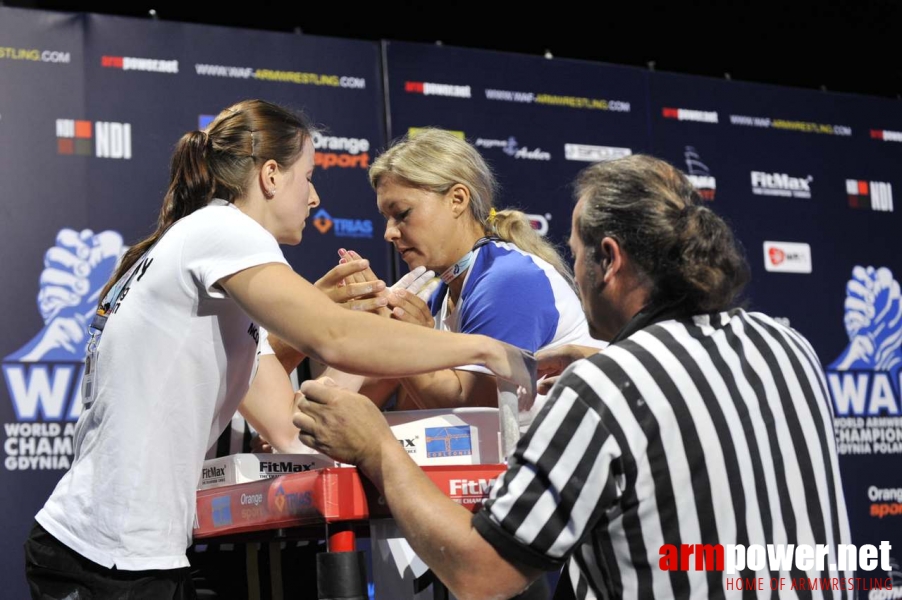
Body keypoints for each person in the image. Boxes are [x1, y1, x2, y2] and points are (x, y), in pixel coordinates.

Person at [23, 99, 532, 600]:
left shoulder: (201, 242)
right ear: (270, 176)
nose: (313, 198)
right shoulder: (226, 229)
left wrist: (328, 320)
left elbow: (288, 427)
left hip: (122, 552)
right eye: (308, 176)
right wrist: (485, 350)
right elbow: (334, 338)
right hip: (110, 557)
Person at [293, 154, 852, 599]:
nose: (570, 272)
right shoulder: (787, 346)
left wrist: (378, 448)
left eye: (577, 255)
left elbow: (483, 575)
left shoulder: (606, 389)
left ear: (609, 259)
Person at [347, 128, 604, 427]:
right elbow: (413, 411)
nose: (389, 233)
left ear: (457, 199)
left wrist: (402, 340)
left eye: (402, 214)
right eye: (386, 219)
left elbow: (476, 418)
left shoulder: (508, 279)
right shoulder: (441, 292)